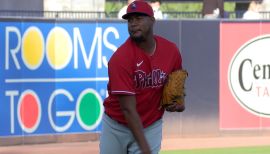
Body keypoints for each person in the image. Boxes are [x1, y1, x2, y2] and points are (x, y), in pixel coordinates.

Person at [99, 0, 185, 154]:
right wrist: (145, 149)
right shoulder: (120, 59)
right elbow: (128, 110)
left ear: (152, 20)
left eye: (138, 18)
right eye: (130, 20)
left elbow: (176, 82)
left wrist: (179, 102)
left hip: (151, 124)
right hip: (117, 125)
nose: (133, 23)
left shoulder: (171, 51)